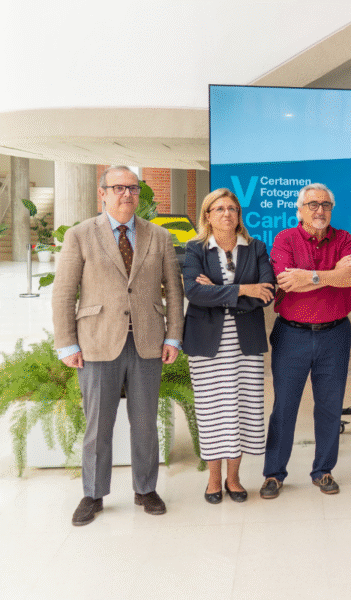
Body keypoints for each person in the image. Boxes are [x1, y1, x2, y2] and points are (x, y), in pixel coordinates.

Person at [52, 166, 184, 526]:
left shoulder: (158, 236)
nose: (127, 194)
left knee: (145, 423)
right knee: (98, 425)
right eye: (119, 188)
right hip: (96, 342)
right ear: (103, 193)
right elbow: (64, 292)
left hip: (147, 342)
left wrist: (173, 335)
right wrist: (66, 344)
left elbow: (174, 290)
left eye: (133, 188)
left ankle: (146, 489)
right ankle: (93, 494)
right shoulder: (80, 235)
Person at [260, 183, 351, 498]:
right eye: (313, 204)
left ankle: (323, 471)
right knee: (284, 407)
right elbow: (287, 283)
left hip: (335, 335)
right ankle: (274, 474)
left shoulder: (344, 239)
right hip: (292, 334)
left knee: (330, 407)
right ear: (300, 210)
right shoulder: (285, 239)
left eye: (326, 204)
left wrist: (311, 276)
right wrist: (332, 275)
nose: (320, 210)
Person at [182, 189, 276, 504]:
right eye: (219, 208)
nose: (226, 213)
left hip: (245, 344)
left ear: (239, 215)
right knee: (212, 412)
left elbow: (267, 293)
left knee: (242, 409)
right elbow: (194, 293)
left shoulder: (256, 247)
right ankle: (213, 480)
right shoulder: (195, 249)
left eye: (232, 208)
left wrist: (220, 292)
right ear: (207, 215)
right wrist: (244, 289)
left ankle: (233, 479)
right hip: (206, 344)